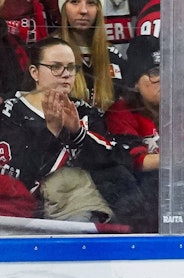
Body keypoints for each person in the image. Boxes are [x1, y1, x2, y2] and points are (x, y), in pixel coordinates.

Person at [0, 36, 147, 229]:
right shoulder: (11, 111)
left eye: (71, 67)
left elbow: (116, 158)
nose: (65, 74)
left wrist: (77, 132)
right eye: (56, 67)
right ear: (34, 72)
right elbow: (15, 175)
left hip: (90, 204)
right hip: (31, 214)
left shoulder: (84, 110)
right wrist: (52, 131)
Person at [105, 35, 184, 230]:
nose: (162, 78)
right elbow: (136, 162)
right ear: (135, 82)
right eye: (153, 72)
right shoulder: (122, 112)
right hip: (147, 203)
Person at [55, 0, 124, 112]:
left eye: (91, 3)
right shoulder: (50, 53)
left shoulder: (113, 55)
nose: (83, 10)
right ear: (63, 8)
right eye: (74, 2)